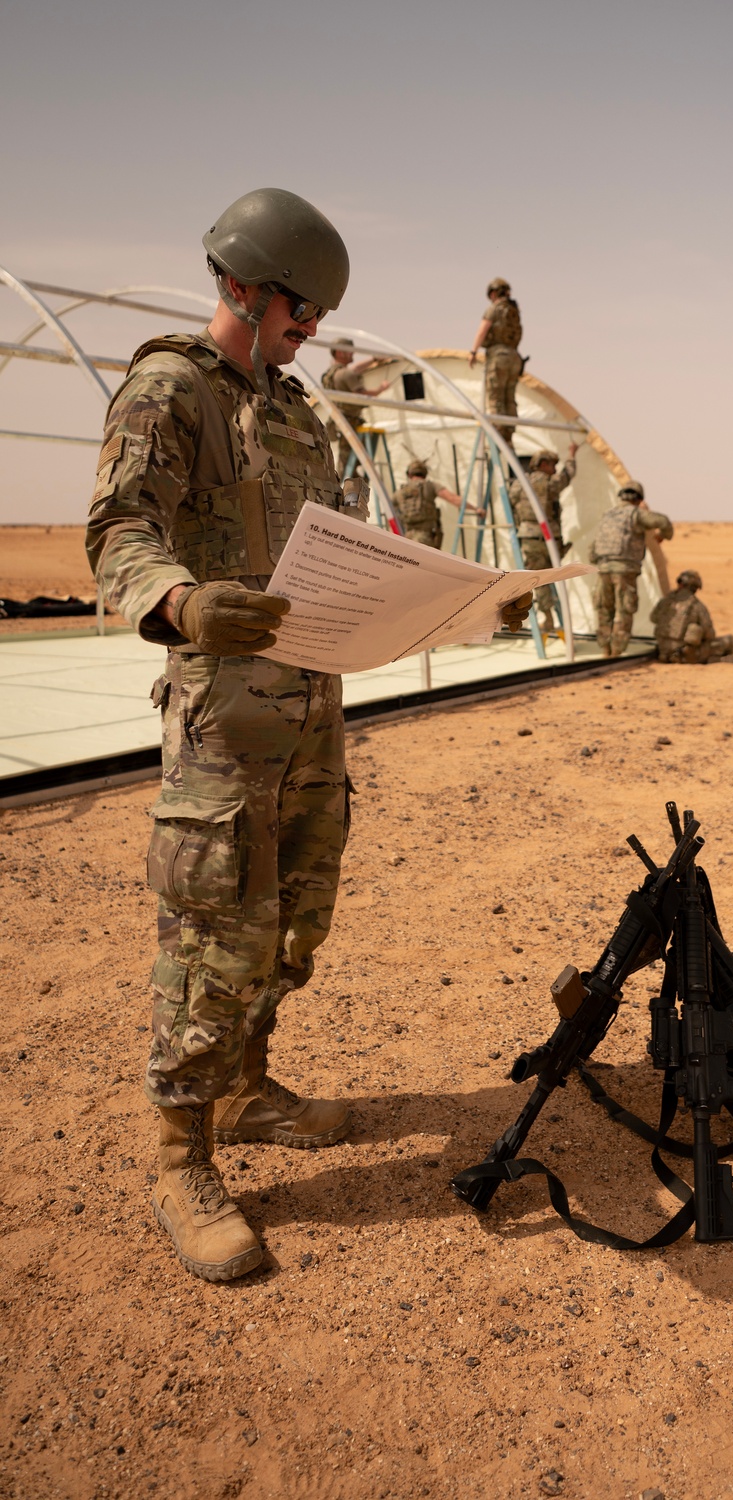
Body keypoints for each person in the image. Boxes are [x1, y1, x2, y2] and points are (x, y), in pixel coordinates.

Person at [85, 187, 532, 1285]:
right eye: (299, 304)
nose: (312, 327)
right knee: (212, 940)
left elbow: (346, 559)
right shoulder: (169, 389)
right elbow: (118, 529)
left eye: (319, 311)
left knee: (291, 920)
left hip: (314, 718)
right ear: (241, 284)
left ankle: (243, 1089)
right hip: (226, 726)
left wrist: (469, 602)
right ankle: (180, 1155)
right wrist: (183, 602)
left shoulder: (291, 413)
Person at [588, 481, 673, 657]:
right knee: (623, 610)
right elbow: (663, 521)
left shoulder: (608, 515)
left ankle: (605, 649)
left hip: (603, 569)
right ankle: (616, 653)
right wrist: (662, 536)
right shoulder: (636, 514)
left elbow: (593, 549)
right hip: (624, 570)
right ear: (639, 498)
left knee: (604, 610)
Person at [508, 445, 578, 632]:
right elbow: (566, 476)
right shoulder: (550, 482)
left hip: (529, 537)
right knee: (551, 577)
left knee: (537, 579)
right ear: (544, 464)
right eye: (553, 465)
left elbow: (512, 502)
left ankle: (547, 616)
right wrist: (571, 455)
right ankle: (551, 619)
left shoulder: (519, 483)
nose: (555, 469)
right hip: (550, 538)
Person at [321, 338, 391, 475]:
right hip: (351, 422)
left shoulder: (332, 374)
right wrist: (380, 389)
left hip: (341, 421)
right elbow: (362, 395)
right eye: (350, 352)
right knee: (351, 465)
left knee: (345, 460)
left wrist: (374, 359)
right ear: (341, 352)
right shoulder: (347, 374)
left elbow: (355, 369)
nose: (353, 354)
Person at [468, 277, 522, 447]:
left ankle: (499, 435)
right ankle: (509, 435)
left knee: (496, 396)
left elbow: (483, 329)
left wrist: (473, 351)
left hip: (498, 356)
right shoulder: (514, 311)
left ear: (493, 293)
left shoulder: (495, 309)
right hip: (514, 357)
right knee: (509, 397)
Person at [392, 459, 483, 549]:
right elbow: (453, 498)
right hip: (425, 538)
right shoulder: (430, 486)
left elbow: (391, 512)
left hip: (406, 538)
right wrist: (476, 509)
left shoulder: (399, 492)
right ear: (425, 474)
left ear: (409, 474)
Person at [651, 569, 733, 663]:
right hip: (683, 656)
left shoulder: (665, 601)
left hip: (662, 652)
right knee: (728, 641)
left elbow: (653, 618)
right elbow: (709, 634)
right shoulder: (696, 605)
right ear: (695, 587)